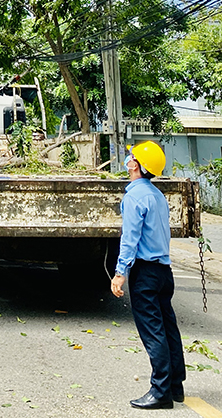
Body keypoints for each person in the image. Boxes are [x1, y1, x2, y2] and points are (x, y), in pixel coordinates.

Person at [111, 141, 185, 410]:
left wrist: (120, 273)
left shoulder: (134, 197)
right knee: (167, 328)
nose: (128, 160)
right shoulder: (157, 195)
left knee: (153, 333)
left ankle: (161, 391)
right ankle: (176, 385)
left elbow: (130, 239)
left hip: (145, 273)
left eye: (132, 158)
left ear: (138, 167)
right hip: (164, 271)